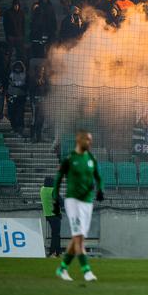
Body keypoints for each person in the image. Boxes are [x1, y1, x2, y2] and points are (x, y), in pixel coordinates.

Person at [53, 130, 104, 281]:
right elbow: (59, 178)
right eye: (87, 140)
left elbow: (98, 176)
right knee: (79, 237)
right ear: (79, 140)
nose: (89, 142)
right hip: (73, 201)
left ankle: (62, 268)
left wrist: (100, 189)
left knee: (78, 238)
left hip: (87, 202)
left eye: (90, 140)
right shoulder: (70, 158)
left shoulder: (91, 158)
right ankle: (86, 271)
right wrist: (56, 197)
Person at [40, 176, 62, 257]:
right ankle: (53, 252)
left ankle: (57, 252)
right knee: (56, 234)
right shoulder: (53, 191)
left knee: (55, 234)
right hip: (55, 215)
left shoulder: (42, 189)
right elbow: (61, 202)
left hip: (47, 215)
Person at [7, 60, 27, 136]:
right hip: (11, 96)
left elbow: (23, 84)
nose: (18, 69)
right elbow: (9, 82)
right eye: (16, 67)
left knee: (20, 114)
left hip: (21, 97)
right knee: (11, 113)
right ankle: (14, 128)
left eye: (19, 67)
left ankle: (20, 129)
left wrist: (15, 84)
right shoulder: (11, 74)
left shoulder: (24, 75)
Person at [29, 65, 48, 143]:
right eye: (40, 70)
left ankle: (39, 137)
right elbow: (31, 90)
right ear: (36, 71)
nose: (41, 72)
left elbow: (47, 90)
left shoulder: (45, 80)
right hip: (35, 102)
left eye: (42, 70)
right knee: (34, 120)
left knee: (41, 120)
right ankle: (32, 137)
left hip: (43, 103)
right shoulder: (33, 79)